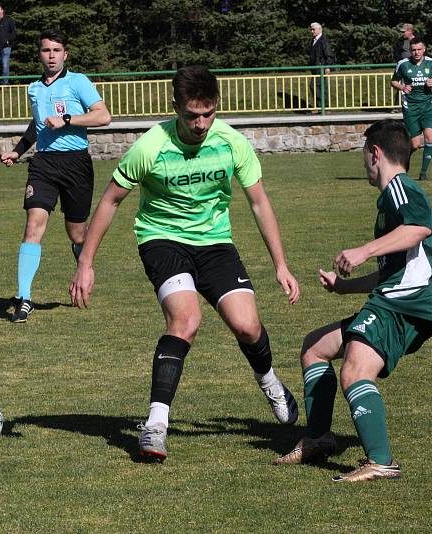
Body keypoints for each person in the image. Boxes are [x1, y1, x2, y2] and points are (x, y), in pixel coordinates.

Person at [68, 65, 301, 462]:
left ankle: (270, 382)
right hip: (162, 239)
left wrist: (280, 263)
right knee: (186, 320)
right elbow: (110, 200)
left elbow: (259, 203)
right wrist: (85, 263)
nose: (200, 124)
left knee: (247, 326)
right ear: (175, 107)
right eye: (191, 115)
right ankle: (155, 425)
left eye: (207, 114)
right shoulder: (150, 146)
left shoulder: (231, 143)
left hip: (214, 243)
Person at [273, 120, 432, 483]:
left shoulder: (401, 188)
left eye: (363, 156)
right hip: (395, 295)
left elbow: (419, 228)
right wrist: (343, 288)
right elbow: (392, 270)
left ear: (375, 153)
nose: (363, 164)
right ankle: (319, 439)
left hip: (405, 302)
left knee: (355, 371)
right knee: (315, 347)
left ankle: (381, 461)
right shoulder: (389, 200)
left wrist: (364, 251)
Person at [0, 28, 111, 323]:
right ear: (40, 54)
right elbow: (36, 126)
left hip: (76, 164)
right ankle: (24, 298)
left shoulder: (78, 82)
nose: (51, 55)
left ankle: (84, 267)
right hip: (44, 165)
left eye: (56, 50)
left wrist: (67, 120)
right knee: (33, 226)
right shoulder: (34, 89)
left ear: (65, 54)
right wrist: (18, 151)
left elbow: (103, 116)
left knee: (76, 234)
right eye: (46, 50)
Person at [390, 37, 432, 180]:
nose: (416, 52)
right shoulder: (403, 64)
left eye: (419, 49)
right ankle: (401, 164)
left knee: (430, 137)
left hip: (427, 106)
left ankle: (423, 173)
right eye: (413, 50)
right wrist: (402, 87)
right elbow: (393, 81)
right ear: (410, 51)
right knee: (415, 145)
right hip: (410, 107)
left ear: (424, 49)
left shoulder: (431, 63)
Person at [309, 22, 336, 109]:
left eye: (313, 29)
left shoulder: (323, 40)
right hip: (316, 68)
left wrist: (327, 66)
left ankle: (324, 107)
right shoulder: (314, 40)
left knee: (318, 86)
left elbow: (329, 54)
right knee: (317, 86)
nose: (312, 31)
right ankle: (320, 106)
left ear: (320, 29)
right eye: (311, 29)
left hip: (321, 68)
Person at [390, 23, 415, 111]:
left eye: (404, 32)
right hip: (402, 66)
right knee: (398, 85)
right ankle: (397, 107)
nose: (402, 33)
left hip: (415, 66)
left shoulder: (417, 40)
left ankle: (414, 104)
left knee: (416, 84)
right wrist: (400, 62)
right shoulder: (399, 41)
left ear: (410, 31)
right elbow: (396, 53)